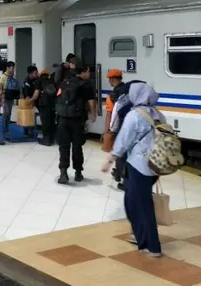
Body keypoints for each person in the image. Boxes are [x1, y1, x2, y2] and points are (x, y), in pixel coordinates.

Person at [101, 82, 166, 257]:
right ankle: (141, 237)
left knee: (139, 205)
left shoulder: (135, 115)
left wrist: (110, 159)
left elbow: (123, 141)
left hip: (139, 165)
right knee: (136, 203)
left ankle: (152, 246)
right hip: (155, 164)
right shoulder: (158, 114)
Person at [55, 64, 97, 184]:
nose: (89, 74)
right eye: (88, 72)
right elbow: (91, 102)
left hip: (62, 118)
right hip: (77, 119)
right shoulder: (85, 85)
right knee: (77, 146)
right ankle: (78, 173)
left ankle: (63, 173)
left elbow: (58, 97)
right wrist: (93, 114)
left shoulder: (64, 83)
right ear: (82, 72)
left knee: (63, 146)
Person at [34, 69, 56, 146]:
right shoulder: (52, 81)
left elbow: (36, 93)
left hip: (44, 104)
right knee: (51, 120)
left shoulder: (38, 81)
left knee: (45, 121)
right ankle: (52, 138)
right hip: (52, 104)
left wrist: (31, 100)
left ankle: (46, 140)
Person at [0, 61, 20, 133]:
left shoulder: (11, 76)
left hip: (10, 97)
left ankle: (7, 128)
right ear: (7, 68)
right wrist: (0, 96)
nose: (13, 69)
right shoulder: (3, 77)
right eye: (12, 68)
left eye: (13, 68)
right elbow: (1, 87)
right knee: (6, 113)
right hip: (5, 96)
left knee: (9, 113)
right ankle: (3, 128)